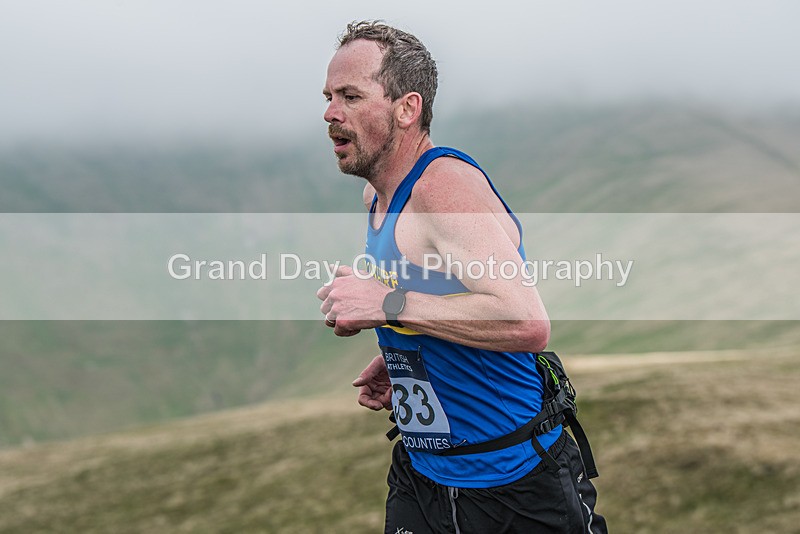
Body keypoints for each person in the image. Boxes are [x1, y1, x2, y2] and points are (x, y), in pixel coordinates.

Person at [316, 20, 606, 534]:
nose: (331, 113)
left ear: (408, 108)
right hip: (423, 473)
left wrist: (387, 305)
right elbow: (438, 292)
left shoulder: (442, 188)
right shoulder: (377, 196)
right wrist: (402, 352)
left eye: (351, 96)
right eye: (329, 96)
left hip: (513, 481)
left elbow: (525, 321)